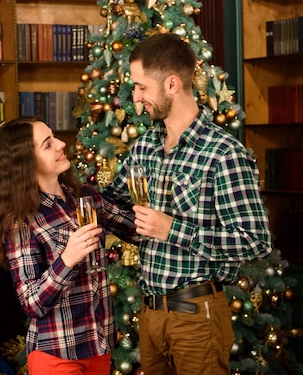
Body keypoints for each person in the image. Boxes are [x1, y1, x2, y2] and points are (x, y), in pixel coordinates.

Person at [101, 33, 273, 374]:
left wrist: (172, 229)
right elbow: (110, 203)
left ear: (172, 84)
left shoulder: (223, 153)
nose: (135, 98)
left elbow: (256, 241)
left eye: (141, 87)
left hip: (197, 316)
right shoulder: (145, 146)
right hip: (150, 316)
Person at [0, 117, 137, 375]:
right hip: (56, 355)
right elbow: (32, 303)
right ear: (27, 163)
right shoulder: (22, 222)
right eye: (48, 144)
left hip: (98, 347)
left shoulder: (86, 198)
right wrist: (67, 259)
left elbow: (139, 229)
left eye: (55, 136)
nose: (61, 144)